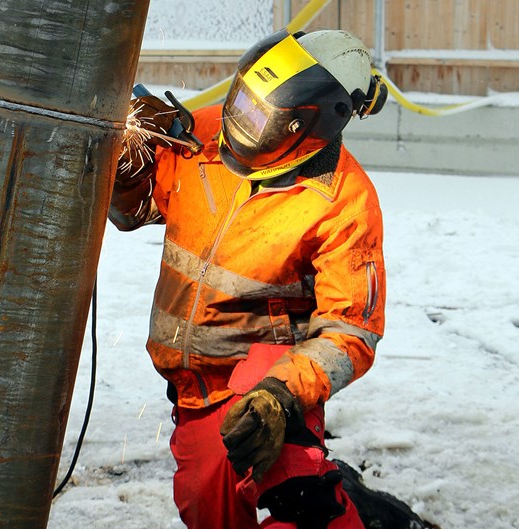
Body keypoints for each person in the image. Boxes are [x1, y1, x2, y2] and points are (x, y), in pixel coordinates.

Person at [109, 28, 388, 529]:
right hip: (192, 384)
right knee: (206, 512)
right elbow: (138, 211)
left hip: (267, 384)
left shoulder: (344, 202)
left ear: (314, 123)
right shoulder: (208, 135)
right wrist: (129, 166)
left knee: (306, 509)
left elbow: (350, 334)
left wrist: (282, 396)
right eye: (242, 102)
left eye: (263, 117)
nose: (240, 123)